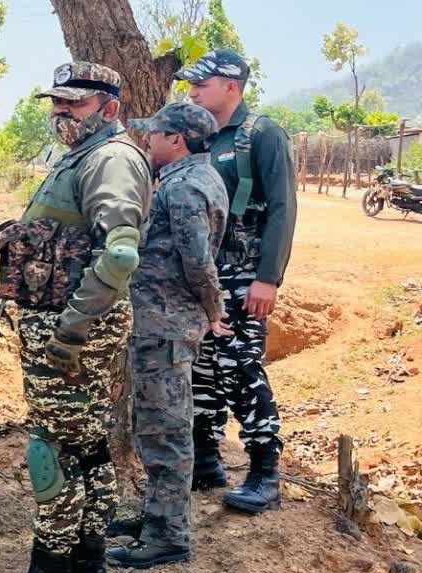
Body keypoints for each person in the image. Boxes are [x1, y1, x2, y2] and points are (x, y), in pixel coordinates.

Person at [0, 62, 151, 573]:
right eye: (56, 102)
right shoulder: (81, 157)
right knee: (86, 448)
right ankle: (87, 571)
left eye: (74, 103)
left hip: (71, 331)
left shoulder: (111, 159)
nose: (61, 112)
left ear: (108, 106)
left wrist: (71, 329)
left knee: (50, 451)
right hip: (67, 326)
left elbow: (120, 254)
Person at [104, 102, 227, 568]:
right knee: (155, 425)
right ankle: (156, 517)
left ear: (176, 139)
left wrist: (214, 308)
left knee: (167, 430)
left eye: (154, 134)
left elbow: (198, 261)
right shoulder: (194, 178)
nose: (147, 140)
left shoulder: (184, 187)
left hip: (166, 323)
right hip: (161, 321)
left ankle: (168, 536)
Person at [177, 49, 296, 514]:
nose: (192, 92)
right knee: (200, 366)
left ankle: (265, 471)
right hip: (203, 275)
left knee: (240, 368)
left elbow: (283, 209)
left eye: (201, 84)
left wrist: (268, 278)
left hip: (244, 276)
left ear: (231, 85)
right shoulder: (201, 138)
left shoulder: (261, 134)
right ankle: (205, 460)